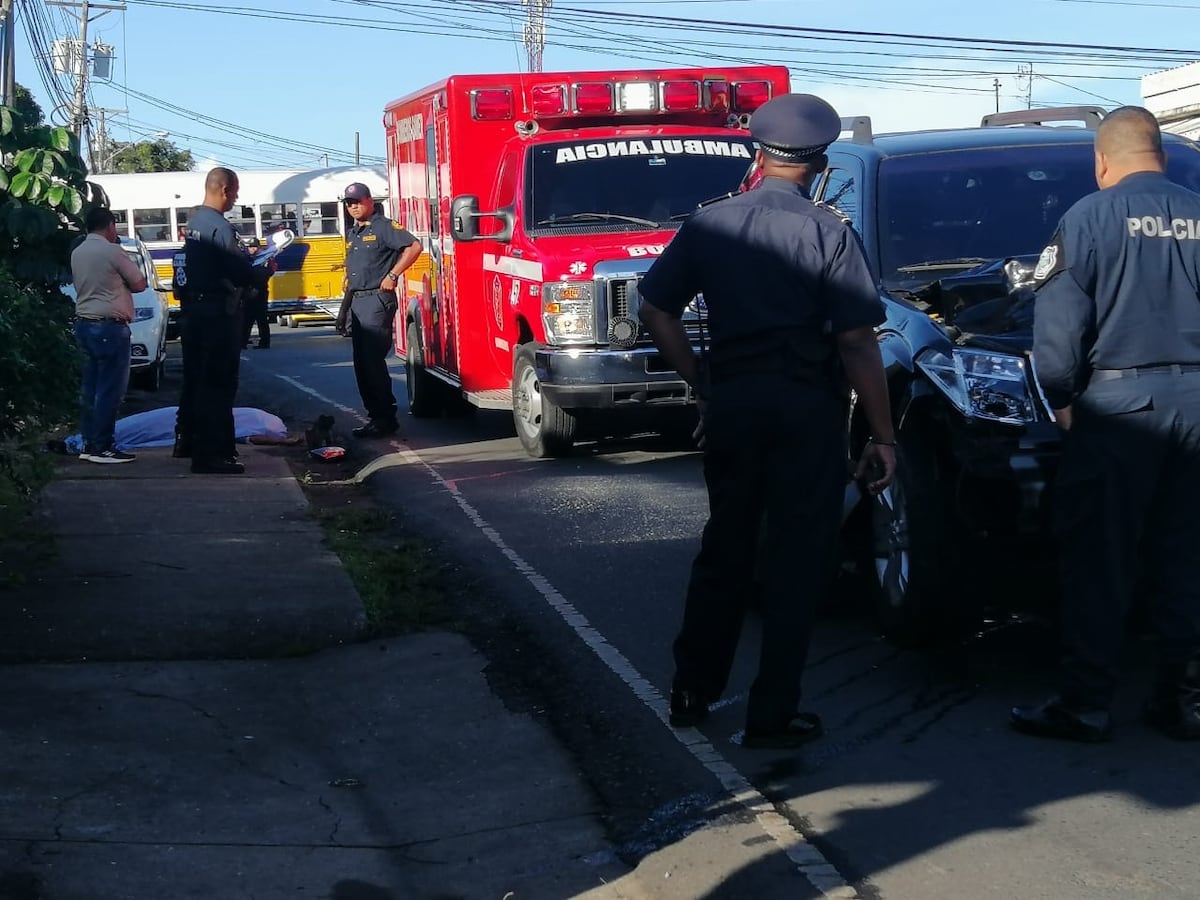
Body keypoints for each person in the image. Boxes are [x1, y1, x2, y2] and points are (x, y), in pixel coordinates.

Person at [637, 93, 897, 750]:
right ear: (820, 162)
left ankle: (691, 690)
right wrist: (883, 435)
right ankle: (771, 714)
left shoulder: (709, 226)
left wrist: (701, 383)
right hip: (806, 409)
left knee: (726, 544)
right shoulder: (830, 232)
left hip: (735, 405)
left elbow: (657, 310)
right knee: (796, 559)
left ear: (758, 152)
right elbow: (858, 342)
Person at [1013, 106, 1200, 743]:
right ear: (1164, 158)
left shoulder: (1087, 219)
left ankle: (1087, 703)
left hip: (1121, 411)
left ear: (1101, 161)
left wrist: (1063, 400)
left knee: (1100, 560)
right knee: (1189, 556)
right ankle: (1184, 701)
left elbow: (1058, 344)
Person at [172, 167, 272, 474]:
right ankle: (213, 455)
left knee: (195, 382)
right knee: (218, 385)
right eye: (236, 192)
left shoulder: (195, 223)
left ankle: (187, 441)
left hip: (194, 312)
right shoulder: (220, 228)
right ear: (225, 190)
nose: (237, 198)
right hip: (217, 314)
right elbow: (240, 270)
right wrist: (263, 269)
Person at [334, 182, 422, 437]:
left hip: (376, 300)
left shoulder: (383, 226)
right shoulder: (354, 232)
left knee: (372, 362)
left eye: (358, 201)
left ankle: (385, 417)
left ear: (370, 201)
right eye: (349, 203)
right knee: (361, 364)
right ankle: (375, 416)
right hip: (358, 300)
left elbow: (414, 247)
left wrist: (393, 274)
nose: (353, 207)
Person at [70, 206, 148, 464]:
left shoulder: (78, 252)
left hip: (84, 325)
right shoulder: (113, 251)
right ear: (110, 226)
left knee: (89, 389)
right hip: (110, 327)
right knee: (110, 391)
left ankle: (88, 442)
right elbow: (139, 283)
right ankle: (103, 446)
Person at [240, 238, 272, 350]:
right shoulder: (247, 258)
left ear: (258, 247)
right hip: (249, 291)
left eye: (253, 247)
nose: (251, 249)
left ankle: (264, 342)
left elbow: (265, 274)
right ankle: (242, 342)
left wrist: (255, 286)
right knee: (247, 319)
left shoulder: (264, 259)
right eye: (249, 247)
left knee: (261, 319)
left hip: (260, 291)